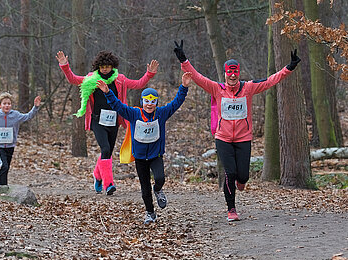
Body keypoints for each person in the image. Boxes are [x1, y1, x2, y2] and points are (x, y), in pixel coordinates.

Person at [174, 40, 301, 221]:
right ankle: (231, 209)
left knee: (243, 176)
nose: (232, 76)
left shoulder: (247, 88)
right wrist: (183, 60)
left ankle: (241, 183)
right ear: (225, 74)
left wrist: (289, 67)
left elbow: (270, 81)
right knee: (230, 173)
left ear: (238, 73)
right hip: (223, 138)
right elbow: (197, 76)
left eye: (235, 73)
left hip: (243, 138)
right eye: (229, 73)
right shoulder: (216, 89)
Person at [56, 50, 159, 195]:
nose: (105, 69)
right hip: (97, 120)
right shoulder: (92, 79)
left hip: (114, 120)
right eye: (102, 66)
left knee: (108, 151)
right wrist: (64, 65)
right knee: (105, 149)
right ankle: (108, 184)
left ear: (112, 66)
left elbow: (137, 84)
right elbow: (73, 79)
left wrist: (149, 74)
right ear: (98, 66)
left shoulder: (120, 79)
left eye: (108, 66)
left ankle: (97, 176)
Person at [97, 72, 192, 224]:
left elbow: (176, 103)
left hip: (156, 155)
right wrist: (108, 92)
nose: (149, 104)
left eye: (153, 101)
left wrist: (184, 87)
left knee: (160, 178)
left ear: (156, 103)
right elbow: (118, 106)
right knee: (145, 188)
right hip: (140, 157)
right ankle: (150, 213)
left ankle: (158, 189)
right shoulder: (134, 113)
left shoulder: (161, 113)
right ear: (142, 102)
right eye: (147, 101)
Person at [0, 91, 41, 186]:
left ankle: (3, 186)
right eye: (4, 104)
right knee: (4, 165)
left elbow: (28, 116)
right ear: (0, 105)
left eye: (9, 104)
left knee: (6, 167)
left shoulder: (15, 115)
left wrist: (36, 107)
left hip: (10, 145)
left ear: (11, 105)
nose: (7, 106)